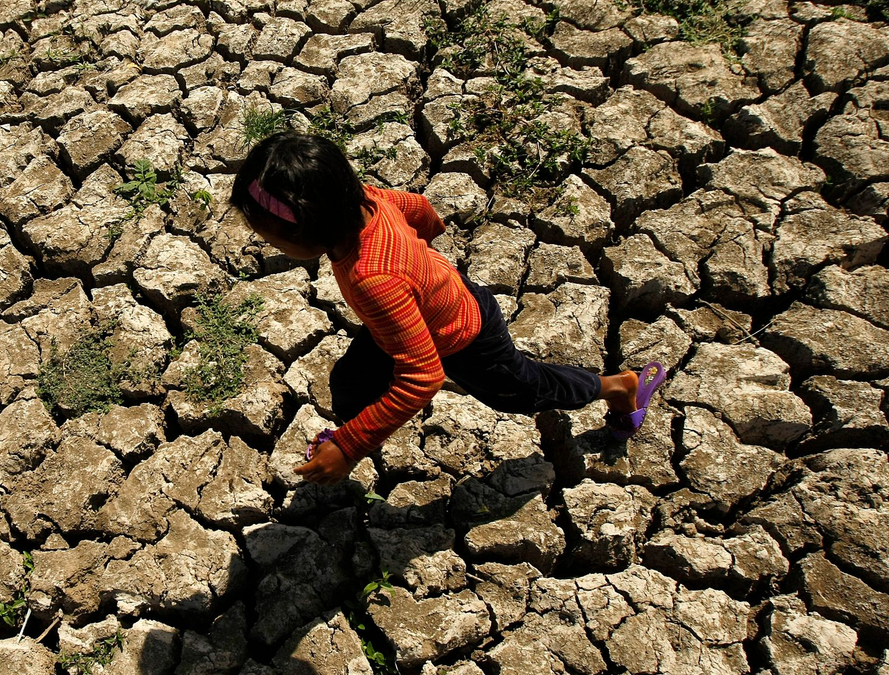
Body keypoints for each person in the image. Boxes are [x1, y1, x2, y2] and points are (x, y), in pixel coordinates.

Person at [229, 131, 664, 486]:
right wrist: (423, 263)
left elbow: (422, 378)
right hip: (419, 314)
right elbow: (420, 208)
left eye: (271, 238)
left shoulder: (372, 279)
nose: (269, 245)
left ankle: (617, 387)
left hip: (466, 338)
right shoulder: (365, 200)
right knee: (351, 382)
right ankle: (352, 434)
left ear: (310, 230)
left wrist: (351, 446)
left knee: (526, 391)